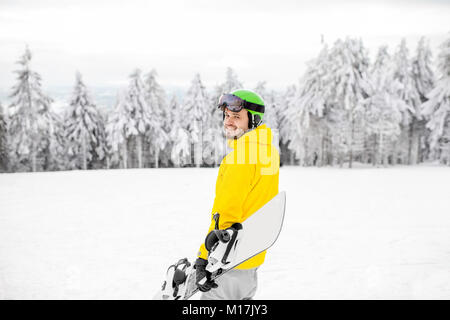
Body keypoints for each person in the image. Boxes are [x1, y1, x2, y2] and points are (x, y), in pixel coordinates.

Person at [194, 89, 280, 300]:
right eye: (227, 115)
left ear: (253, 120)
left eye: (237, 117)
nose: (228, 122)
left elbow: (226, 214)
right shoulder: (268, 152)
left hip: (228, 261)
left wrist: (204, 259)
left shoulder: (240, 158)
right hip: (251, 258)